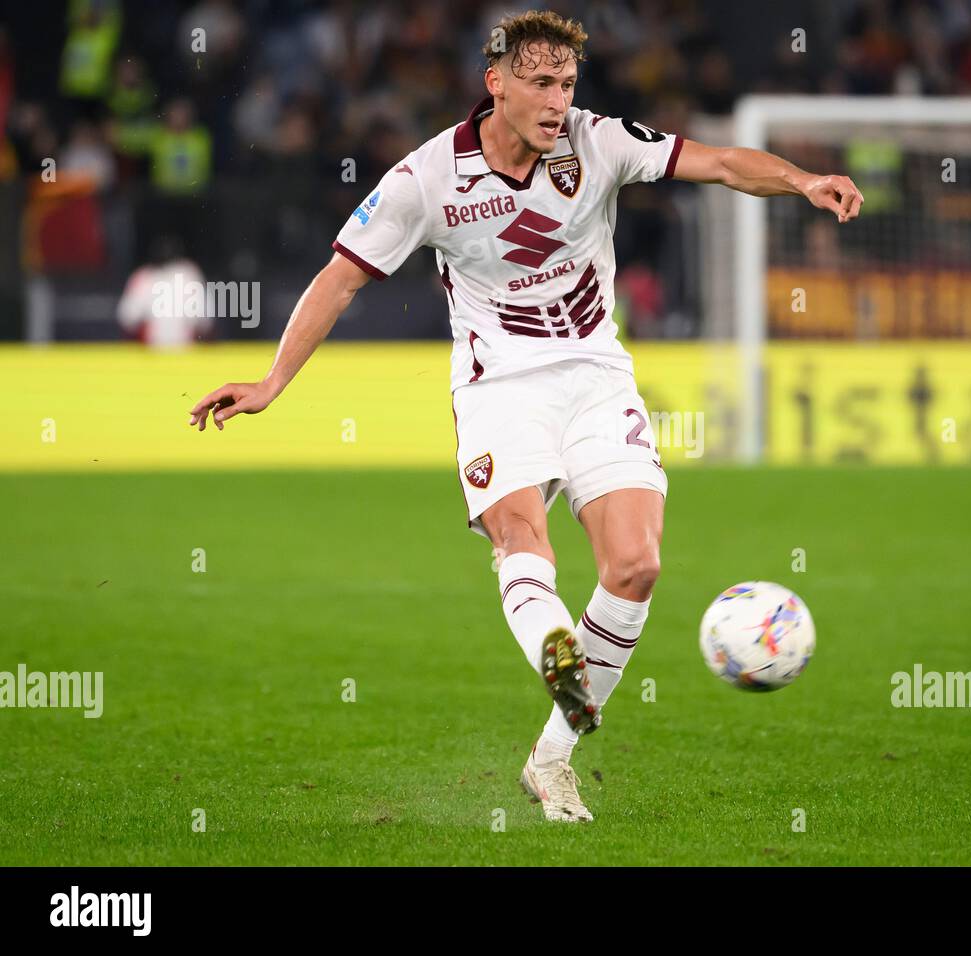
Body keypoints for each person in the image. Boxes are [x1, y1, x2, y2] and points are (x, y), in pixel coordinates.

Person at [188, 10, 862, 823]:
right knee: (521, 536)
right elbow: (340, 279)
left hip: (596, 378)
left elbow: (717, 161)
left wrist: (802, 181)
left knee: (636, 567)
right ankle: (555, 645)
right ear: (495, 83)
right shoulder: (424, 179)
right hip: (498, 387)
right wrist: (272, 381)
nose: (556, 102)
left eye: (567, 84)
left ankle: (553, 758)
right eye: (541, 84)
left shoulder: (598, 140)